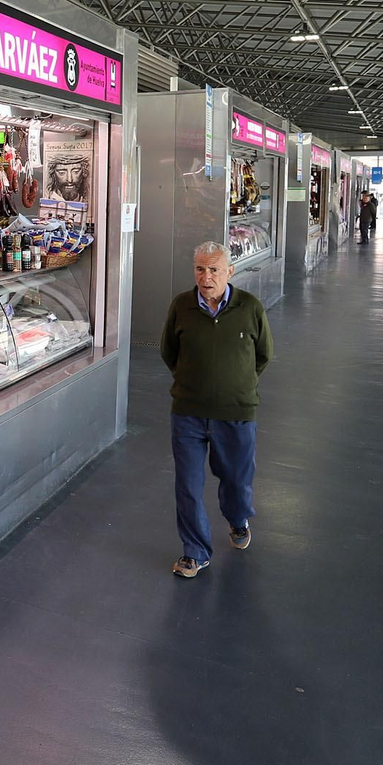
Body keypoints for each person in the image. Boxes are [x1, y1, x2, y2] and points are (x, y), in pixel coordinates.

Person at [159, 242, 273, 578]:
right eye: (200, 269)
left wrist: (236, 385)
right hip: (188, 412)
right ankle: (195, 552)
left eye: (214, 270)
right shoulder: (181, 306)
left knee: (236, 479)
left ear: (229, 272)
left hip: (236, 412)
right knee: (188, 485)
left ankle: (238, 519)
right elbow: (169, 351)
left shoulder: (249, 307)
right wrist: (192, 382)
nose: (205, 277)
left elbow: (263, 354)